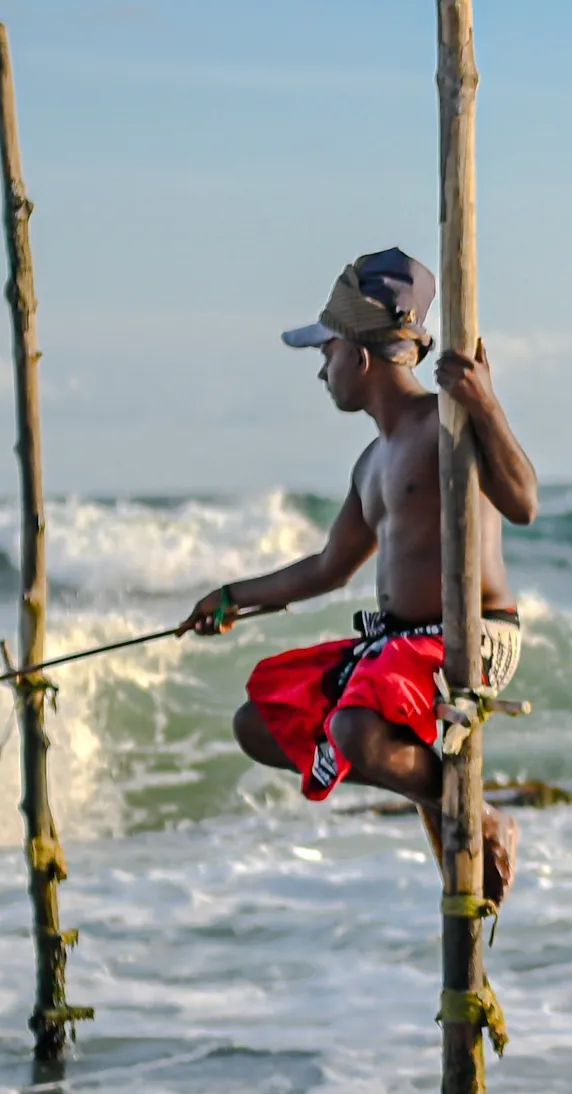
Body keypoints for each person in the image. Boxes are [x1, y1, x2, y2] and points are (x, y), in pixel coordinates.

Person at [187, 248, 542, 892]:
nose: (321, 371)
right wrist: (232, 596)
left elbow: (523, 502)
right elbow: (329, 567)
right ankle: (430, 789)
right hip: (394, 647)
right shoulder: (370, 462)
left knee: (353, 727)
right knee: (260, 721)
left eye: (325, 354)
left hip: (471, 635)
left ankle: (478, 812)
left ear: (360, 357)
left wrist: (486, 404)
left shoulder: (447, 424)